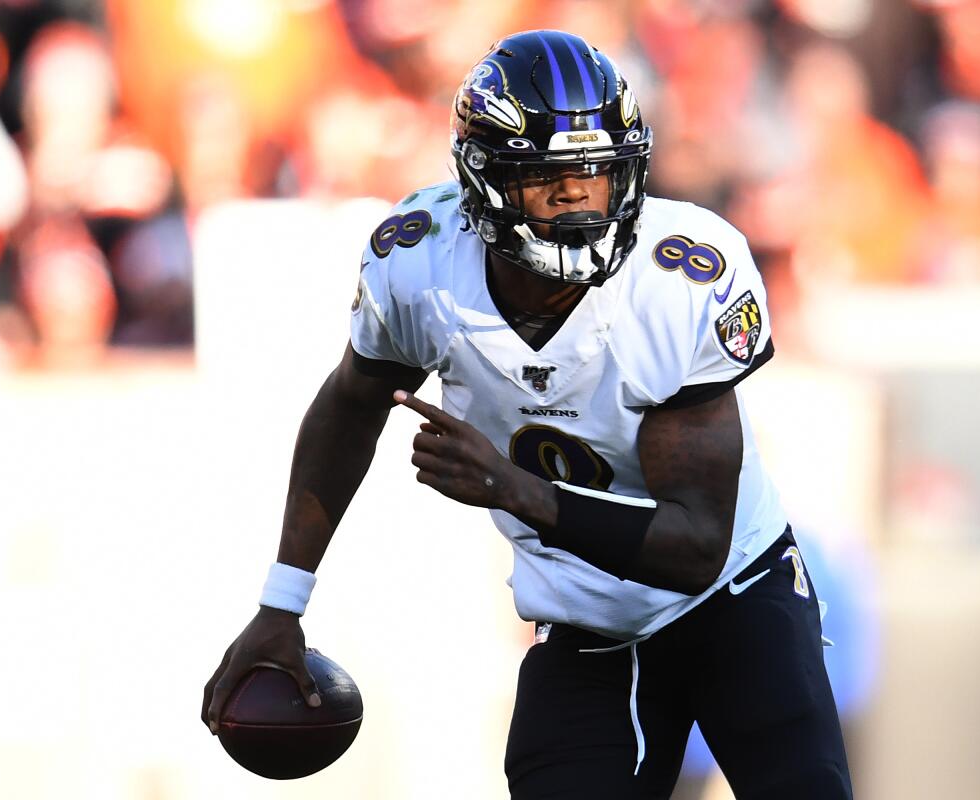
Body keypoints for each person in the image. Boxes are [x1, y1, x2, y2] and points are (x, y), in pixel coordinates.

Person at [202, 29, 852, 799]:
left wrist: (512, 489)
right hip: (584, 624)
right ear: (486, 182)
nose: (580, 197)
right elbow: (350, 405)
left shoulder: (680, 275)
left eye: (597, 174)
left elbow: (695, 546)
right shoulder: (421, 265)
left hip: (735, 598)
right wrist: (284, 600)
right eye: (550, 178)